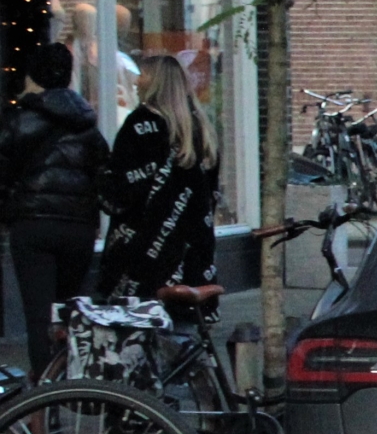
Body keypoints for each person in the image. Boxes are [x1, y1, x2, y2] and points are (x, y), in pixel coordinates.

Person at [0, 42, 108, 377]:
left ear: (34, 75)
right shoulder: (87, 125)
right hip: (77, 229)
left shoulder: (19, 121)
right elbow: (104, 177)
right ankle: (69, 385)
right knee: (68, 311)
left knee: (38, 318)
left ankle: (45, 404)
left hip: (32, 227)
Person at [97, 54, 219, 306]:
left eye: (142, 76)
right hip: (192, 248)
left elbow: (121, 191)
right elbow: (210, 192)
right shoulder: (200, 129)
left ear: (154, 83)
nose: (136, 82)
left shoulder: (141, 125)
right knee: (184, 324)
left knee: (139, 324)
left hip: (141, 252)